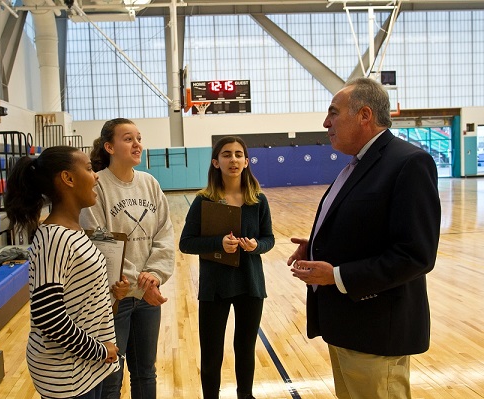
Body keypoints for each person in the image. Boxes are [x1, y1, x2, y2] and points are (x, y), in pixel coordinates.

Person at [287, 77, 441, 399]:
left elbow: (415, 255)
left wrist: (337, 276)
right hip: (348, 326)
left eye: (333, 112)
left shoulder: (408, 163)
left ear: (364, 115)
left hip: (377, 332)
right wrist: (315, 246)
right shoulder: (359, 165)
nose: (326, 122)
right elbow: (365, 228)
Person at [4, 146, 120, 399]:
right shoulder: (55, 239)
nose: (96, 175)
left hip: (85, 366)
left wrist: (112, 294)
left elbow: (80, 295)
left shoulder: (72, 231)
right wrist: (99, 350)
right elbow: (49, 317)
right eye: (89, 169)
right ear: (68, 178)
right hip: (67, 373)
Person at [80, 118, 175, 399]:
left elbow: (165, 234)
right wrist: (140, 283)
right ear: (109, 146)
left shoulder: (150, 183)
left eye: (139, 138)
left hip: (148, 295)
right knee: (111, 375)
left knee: (146, 372)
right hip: (114, 298)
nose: (137, 144)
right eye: (128, 138)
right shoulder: (97, 187)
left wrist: (154, 275)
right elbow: (101, 245)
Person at [179, 136, 275, 399]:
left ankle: (246, 395)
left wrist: (257, 246)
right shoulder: (203, 201)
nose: (233, 159)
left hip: (250, 284)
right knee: (211, 353)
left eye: (238, 154)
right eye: (226, 154)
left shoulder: (259, 200)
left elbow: (269, 239)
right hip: (215, 287)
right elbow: (186, 243)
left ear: (246, 161)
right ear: (215, 162)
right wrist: (218, 244)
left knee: (245, 349)